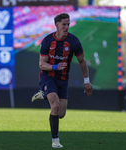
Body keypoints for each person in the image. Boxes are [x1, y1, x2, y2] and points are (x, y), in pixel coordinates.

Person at [31, 13, 93, 148]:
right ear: (57, 25)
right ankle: (55, 141)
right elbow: (42, 64)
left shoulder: (74, 41)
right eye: (64, 24)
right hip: (48, 77)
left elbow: (82, 61)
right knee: (55, 105)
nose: (66, 27)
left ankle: (43, 94)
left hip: (63, 80)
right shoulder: (47, 41)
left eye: (68, 24)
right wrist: (55, 66)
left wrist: (86, 81)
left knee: (61, 114)